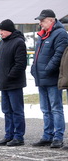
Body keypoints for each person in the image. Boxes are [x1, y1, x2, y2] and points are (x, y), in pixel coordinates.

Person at [31, 9, 68, 148]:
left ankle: (58, 137)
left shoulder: (60, 34)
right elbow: (37, 55)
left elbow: (59, 55)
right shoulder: (42, 35)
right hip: (41, 78)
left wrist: (47, 70)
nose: (40, 23)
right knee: (45, 109)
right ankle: (47, 135)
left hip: (52, 78)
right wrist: (34, 68)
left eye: (42, 20)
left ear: (51, 20)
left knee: (55, 108)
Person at [0, 19, 27, 146]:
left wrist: (9, 76)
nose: (1, 33)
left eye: (2, 30)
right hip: (4, 83)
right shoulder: (2, 43)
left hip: (14, 83)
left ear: (9, 30)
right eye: (0, 30)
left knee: (17, 110)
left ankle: (18, 136)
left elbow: (20, 64)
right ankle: (9, 135)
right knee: (6, 110)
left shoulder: (18, 42)